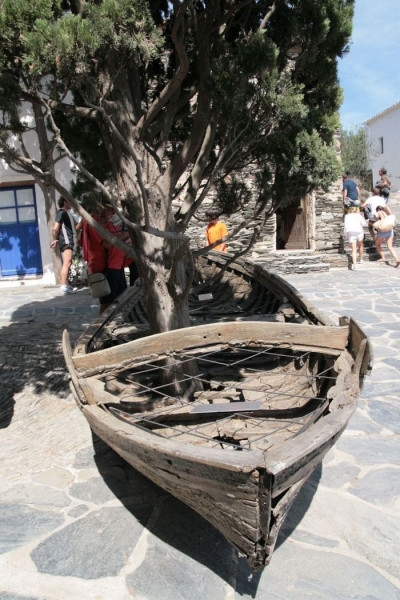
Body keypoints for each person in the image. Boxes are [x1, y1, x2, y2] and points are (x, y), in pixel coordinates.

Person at [50, 197, 77, 295]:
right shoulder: (61, 212)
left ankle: (66, 284)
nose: (71, 203)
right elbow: (55, 228)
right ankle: (63, 286)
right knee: (66, 263)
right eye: (69, 201)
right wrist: (56, 238)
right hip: (66, 240)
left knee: (68, 262)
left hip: (68, 240)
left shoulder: (66, 213)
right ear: (65, 202)